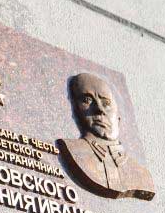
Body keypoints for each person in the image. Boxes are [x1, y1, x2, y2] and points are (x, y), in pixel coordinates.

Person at [58, 73, 156, 201]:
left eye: (106, 102)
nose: (99, 109)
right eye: (87, 100)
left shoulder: (143, 176)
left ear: (118, 116)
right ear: (75, 110)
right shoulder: (71, 150)